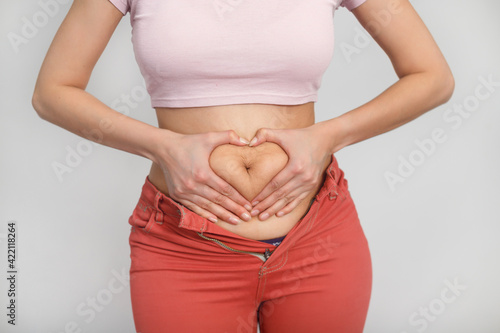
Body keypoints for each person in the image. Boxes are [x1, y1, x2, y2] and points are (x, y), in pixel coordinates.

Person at [32, 0, 454, 331]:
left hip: (317, 239)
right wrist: (163, 147)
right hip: (184, 246)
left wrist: (328, 136)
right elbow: (53, 91)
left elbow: (432, 76)